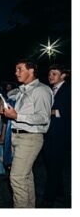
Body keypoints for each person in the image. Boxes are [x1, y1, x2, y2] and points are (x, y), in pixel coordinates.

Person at [1, 60, 53, 208]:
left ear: (31, 71)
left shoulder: (41, 90)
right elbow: (10, 95)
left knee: (17, 178)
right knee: (26, 177)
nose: (16, 72)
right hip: (18, 137)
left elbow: (43, 118)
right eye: (16, 69)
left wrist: (16, 116)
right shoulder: (23, 90)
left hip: (30, 138)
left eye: (19, 69)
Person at [43, 65, 69, 207]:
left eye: (54, 73)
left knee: (54, 165)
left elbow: (65, 112)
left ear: (63, 75)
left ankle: (49, 197)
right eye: (49, 73)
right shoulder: (50, 90)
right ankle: (60, 192)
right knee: (51, 164)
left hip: (60, 134)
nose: (50, 76)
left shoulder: (68, 90)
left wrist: (47, 111)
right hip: (49, 133)